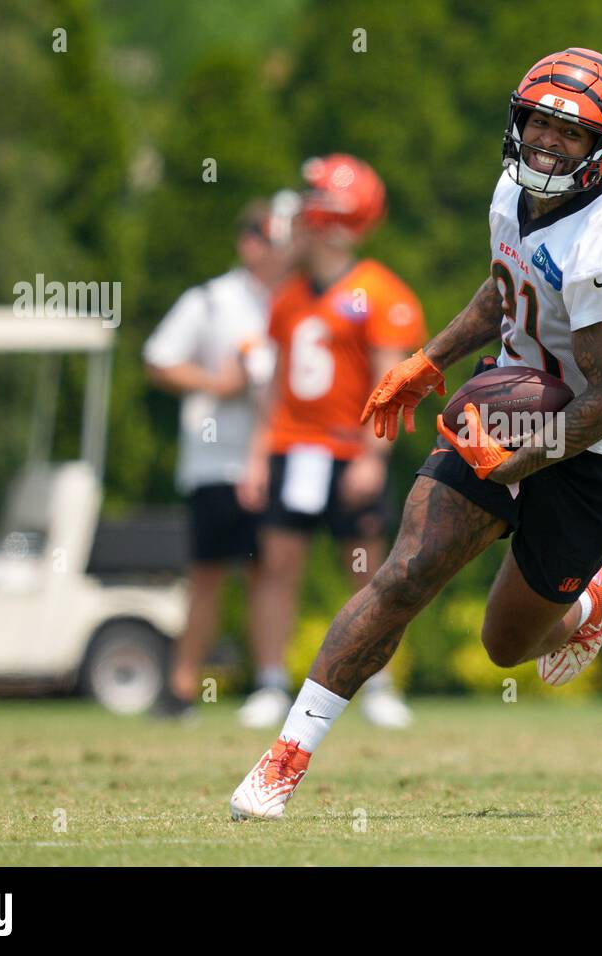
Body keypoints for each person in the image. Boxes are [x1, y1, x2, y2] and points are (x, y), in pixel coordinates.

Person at [230, 48, 602, 819]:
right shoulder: (511, 194)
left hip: (595, 451)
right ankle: (285, 757)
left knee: (505, 645)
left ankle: (584, 603)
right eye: (538, 121)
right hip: (504, 410)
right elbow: (506, 288)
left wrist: (514, 463)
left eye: (570, 133)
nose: (546, 142)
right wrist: (428, 360)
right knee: (404, 574)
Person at [235, 155, 425, 730]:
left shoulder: (375, 291)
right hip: (294, 446)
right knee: (276, 563)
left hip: (349, 448)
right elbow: (274, 385)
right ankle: (269, 680)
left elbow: (389, 383)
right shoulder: (288, 294)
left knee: (368, 570)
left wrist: (373, 454)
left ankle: (379, 685)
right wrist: (255, 455)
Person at [143, 199, 286, 719]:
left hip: (276, 457)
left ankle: (269, 682)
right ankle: (182, 687)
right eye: (273, 239)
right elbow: (159, 359)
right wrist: (214, 384)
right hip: (213, 460)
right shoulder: (211, 301)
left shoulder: (296, 301)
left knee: (270, 569)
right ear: (250, 243)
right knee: (207, 573)